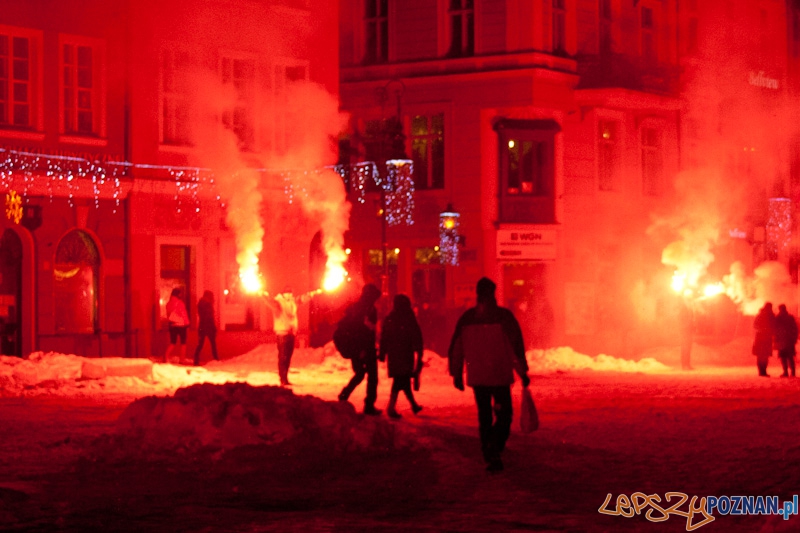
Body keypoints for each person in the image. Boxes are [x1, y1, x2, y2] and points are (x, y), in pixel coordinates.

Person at [448, 277, 531, 473]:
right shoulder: (504, 317)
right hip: (499, 375)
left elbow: (457, 349)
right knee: (504, 415)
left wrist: (457, 373)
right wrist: (522, 371)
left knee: (484, 415)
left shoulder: (467, 318)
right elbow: (514, 348)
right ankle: (494, 444)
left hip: (478, 377)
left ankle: (488, 449)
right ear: (493, 293)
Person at [338, 283, 383, 415]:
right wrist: (363, 349)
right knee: (371, 377)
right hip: (364, 347)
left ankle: (344, 395)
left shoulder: (356, 307)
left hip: (357, 347)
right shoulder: (367, 309)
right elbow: (362, 331)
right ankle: (368, 405)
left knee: (360, 374)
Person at [379, 294, 424, 419]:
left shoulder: (390, 318)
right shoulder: (409, 317)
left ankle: (412, 405)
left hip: (394, 354)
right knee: (401, 380)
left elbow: (384, 337)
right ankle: (392, 408)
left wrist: (383, 352)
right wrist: (419, 351)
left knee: (402, 380)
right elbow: (417, 335)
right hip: (405, 353)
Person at [264, 287, 313, 387]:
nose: (289, 295)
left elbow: (302, 299)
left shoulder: (293, 302)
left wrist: (313, 293)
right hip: (282, 333)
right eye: (288, 293)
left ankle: (285, 378)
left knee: (288, 357)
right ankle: (283, 379)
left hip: (291, 333)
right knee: (283, 357)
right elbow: (269, 301)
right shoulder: (278, 302)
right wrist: (262, 294)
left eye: (290, 293)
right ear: (283, 293)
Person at [193, 290, 219, 366]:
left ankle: (196, 359)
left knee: (200, 344)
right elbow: (209, 317)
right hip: (208, 326)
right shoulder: (208, 304)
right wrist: (213, 327)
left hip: (202, 326)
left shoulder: (201, 303)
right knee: (213, 344)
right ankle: (216, 359)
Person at [164, 287, 190, 363]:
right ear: (178, 294)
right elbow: (184, 314)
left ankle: (166, 356)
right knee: (183, 343)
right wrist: (187, 323)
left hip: (172, 325)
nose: (181, 295)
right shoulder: (180, 303)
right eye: (180, 293)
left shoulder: (168, 303)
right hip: (181, 325)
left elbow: (168, 315)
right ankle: (182, 359)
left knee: (172, 342)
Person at [773, 304, 797, 378]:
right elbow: (795, 328)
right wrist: (794, 338)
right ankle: (792, 372)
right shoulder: (790, 317)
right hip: (789, 340)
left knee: (783, 357)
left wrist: (776, 338)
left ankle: (785, 372)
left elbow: (775, 329)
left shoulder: (778, 318)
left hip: (782, 340)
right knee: (790, 357)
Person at [752, 302, 775, 377]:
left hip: (760, 337)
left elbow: (755, 325)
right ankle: (763, 371)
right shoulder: (769, 316)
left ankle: (762, 371)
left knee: (761, 355)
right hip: (765, 337)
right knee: (764, 355)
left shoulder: (760, 315)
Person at [679, 298, 694, 371]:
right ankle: (684, 365)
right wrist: (685, 325)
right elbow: (681, 318)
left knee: (688, 347)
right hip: (684, 329)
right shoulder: (683, 307)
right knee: (685, 347)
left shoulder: (689, 306)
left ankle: (687, 364)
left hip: (688, 329)